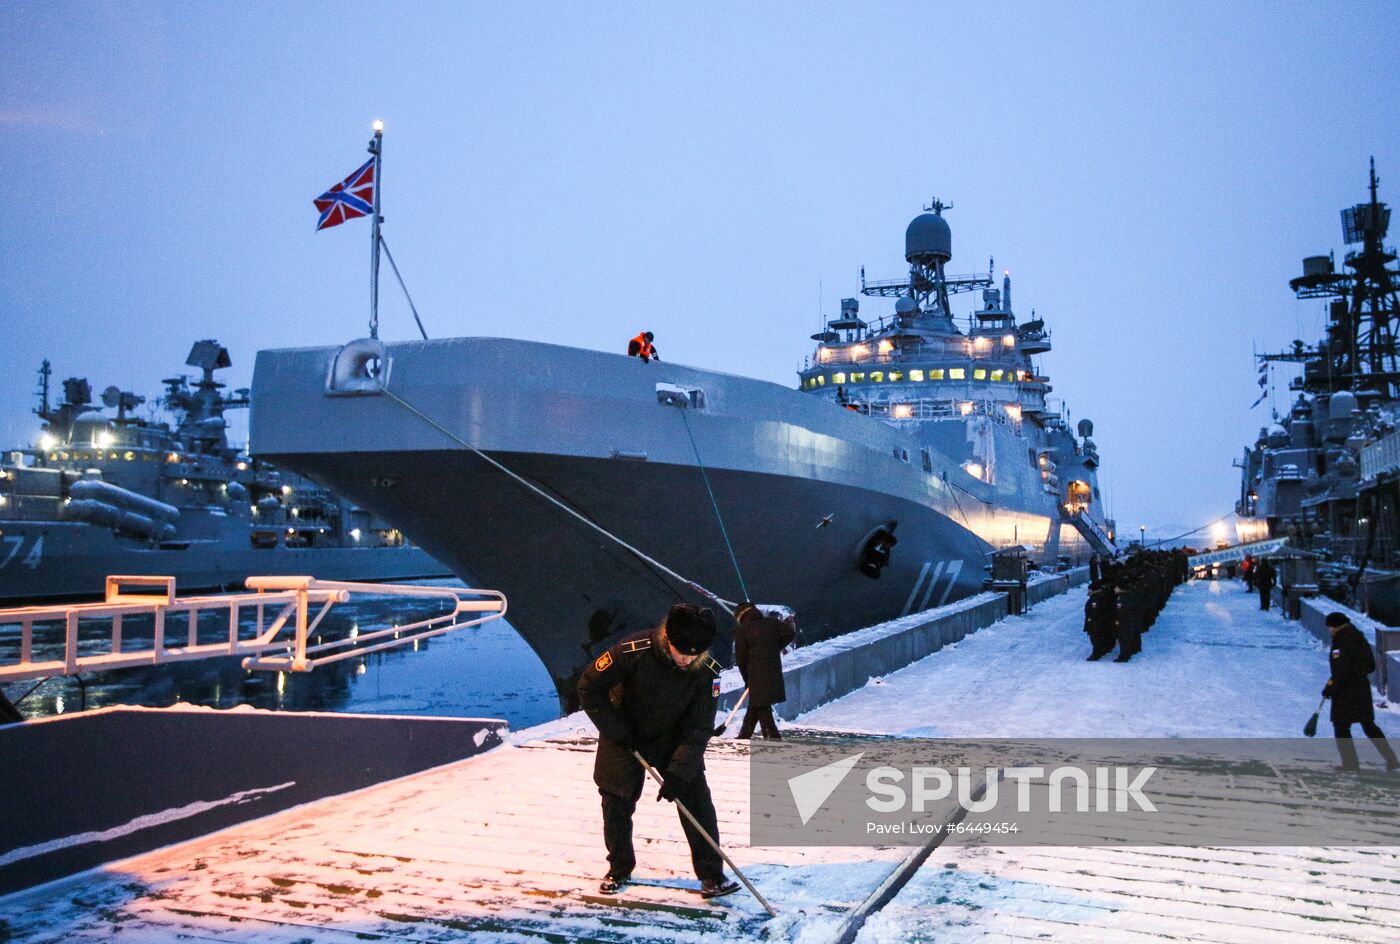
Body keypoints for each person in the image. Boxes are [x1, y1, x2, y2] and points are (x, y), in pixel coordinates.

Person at [576, 603, 740, 898]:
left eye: (695, 654)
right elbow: (589, 687)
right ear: (668, 637)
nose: (688, 660)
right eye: (683, 652)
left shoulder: (708, 671)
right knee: (616, 802)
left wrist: (679, 771)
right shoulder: (632, 651)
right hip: (624, 733)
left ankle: (712, 874)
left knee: (697, 803)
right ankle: (619, 867)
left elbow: (699, 727)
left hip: (672, 736)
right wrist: (617, 730)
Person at [1322, 611, 1399, 772]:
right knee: (1368, 725)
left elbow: (1341, 670)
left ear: (1335, 626)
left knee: (1341, 726)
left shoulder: (1341, 641)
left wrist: (1331, 687)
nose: (1329, 631)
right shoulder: (1358, 637)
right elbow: (1370, 665)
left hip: (1345, 692)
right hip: (1361, 689)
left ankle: (1350, 763)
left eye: (1330, 627)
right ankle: (1391, 759)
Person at [733, 602, 796, 739]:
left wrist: (747, 679)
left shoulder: (742, 630)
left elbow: (741, 659)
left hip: (755, 674)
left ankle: (773, 736)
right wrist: (774, 647)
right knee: (758, 704)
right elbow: (789, 633)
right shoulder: (771, 623)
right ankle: (745, 734)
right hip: (772, 671)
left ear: (740, 616)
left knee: (761, 706)